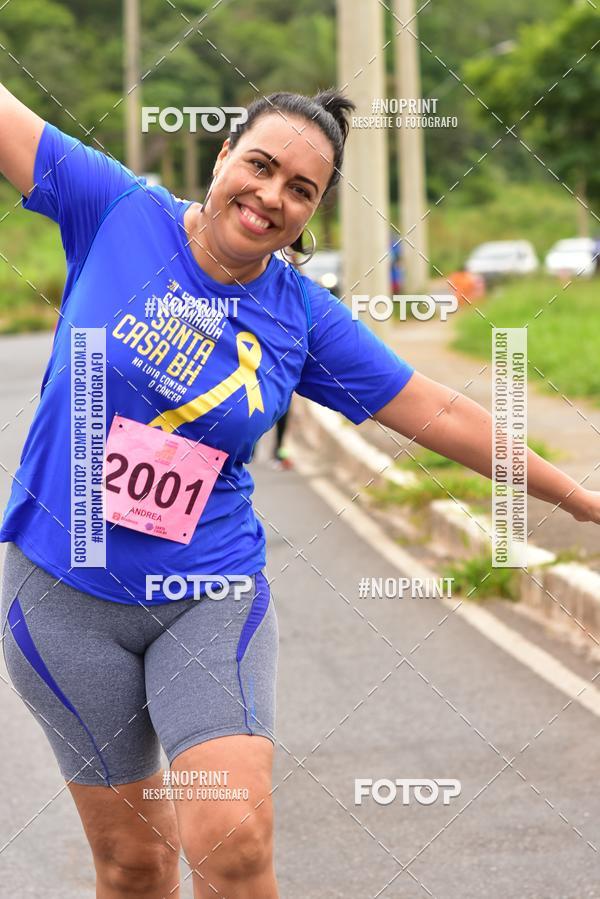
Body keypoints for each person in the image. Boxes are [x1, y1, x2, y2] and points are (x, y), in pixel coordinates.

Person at [0, 82, 599, 899]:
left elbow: (439, 408)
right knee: (134, 866)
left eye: (300, 190)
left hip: (203, 591)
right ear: (222, 158)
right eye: (261, 165)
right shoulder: (116, 208)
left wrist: (579, 497)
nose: (270, 196)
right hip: (62, 601)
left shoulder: (300, 318)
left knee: (233, 843)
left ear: (309, 214)